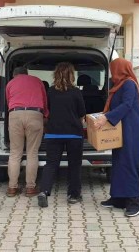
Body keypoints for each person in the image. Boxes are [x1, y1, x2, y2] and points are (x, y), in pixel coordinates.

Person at [94, 58, 139, 217]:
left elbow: (127, 105)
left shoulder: (129, 84)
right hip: (121, 129)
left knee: (129, 162)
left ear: (120, 69)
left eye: (113, 69)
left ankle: (135, 202)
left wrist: (106, 117)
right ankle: (118, 198)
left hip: (130, 130)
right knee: (119, 162)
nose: (111, 73)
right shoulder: (120, 84)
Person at [37, 62, 86, 208]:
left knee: (51, 164)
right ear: (71, 75)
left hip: (53, 134)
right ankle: (73, 195)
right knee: (74, 165)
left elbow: (47, 111)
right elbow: (81, 113)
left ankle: (44, 191)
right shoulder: (76, 92)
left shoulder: (50, 92)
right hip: (74, 134)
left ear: (56, 75)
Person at [5, 66, 49, 197]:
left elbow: (8, 102)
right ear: (27, 73)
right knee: (32, 153)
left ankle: (12, 188)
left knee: (15, 153)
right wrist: (45, 115)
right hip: (35, 114)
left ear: (14, 75)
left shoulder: (10, 83)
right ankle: (30, 188)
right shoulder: (37, 81)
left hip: (15, 114)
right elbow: (44, 101)